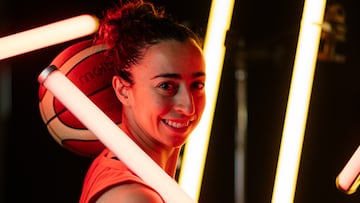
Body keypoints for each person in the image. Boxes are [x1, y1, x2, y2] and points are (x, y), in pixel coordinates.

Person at [79, 0, 206, 202]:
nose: (188, 107)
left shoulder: (117, 163)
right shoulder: (133, 197)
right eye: (166, 86)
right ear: (123, 90)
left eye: (197, 85)